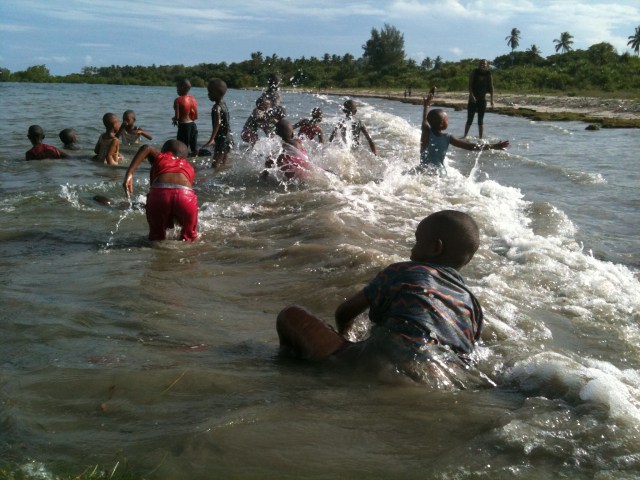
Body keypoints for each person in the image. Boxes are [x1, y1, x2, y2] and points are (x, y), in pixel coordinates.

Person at [276, 210, 484, 374]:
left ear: (435, 248)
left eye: (417, 241)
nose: (412, 249)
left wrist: (345, 340)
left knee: (291, 314)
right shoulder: (472, 304)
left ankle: (293, 372)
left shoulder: (404, 271)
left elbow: (344, 312)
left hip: (380, 365)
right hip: (440, 374)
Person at [412, 92, 509, 175]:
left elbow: (425, 120)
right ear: (442, 124)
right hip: (439, 173)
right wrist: (494, 146)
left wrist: (426, 106)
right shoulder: (448, 137)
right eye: (447, 119)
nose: (448, 121)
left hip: (422, 170)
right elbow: (470, 147)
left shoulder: (426, 132)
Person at [123, 139, 198, 242]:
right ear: (185, 158)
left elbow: (146, 148)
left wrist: (130, 173)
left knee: (156, 237)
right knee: (190, 237)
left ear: (164, 152)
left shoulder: (162, 157)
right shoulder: (189, 167)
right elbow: (179, 198)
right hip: (185, 195)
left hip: (159, 194)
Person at [201, 79, 233, 168]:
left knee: (215, 165)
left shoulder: (217, 107)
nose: (208, 94)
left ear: (217, 93)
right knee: (223, 163)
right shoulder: (224, 104)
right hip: (229, 138)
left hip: (221, 140)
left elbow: (217, 123)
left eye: (210, 92)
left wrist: (211, 139)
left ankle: (216, 175)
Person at [463, 59, 494, 139]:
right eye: (481, 63)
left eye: (484, 64)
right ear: (479, 64)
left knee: (480, 120)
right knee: (469, 119)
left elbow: (491, 87)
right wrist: (472, 96)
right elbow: (470, 85)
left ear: (487, 65)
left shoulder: (488, 74)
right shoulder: (474, 72)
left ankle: (480, 138)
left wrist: (492, 100)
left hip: (482, 99)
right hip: (472, 99)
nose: (483, 65)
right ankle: (464, 136)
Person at [172, 78, 198, 156]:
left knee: (182, 148)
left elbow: (177, 117)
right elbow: (195, 116)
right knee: (194, 148)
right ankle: (195, 160)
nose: (177, 90)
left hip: (184, 127)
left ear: (182, 87)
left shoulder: (178, 100)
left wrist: (174, 119)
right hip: (193, 125)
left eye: (177, 88)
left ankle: (183, 161)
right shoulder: (193, 99)